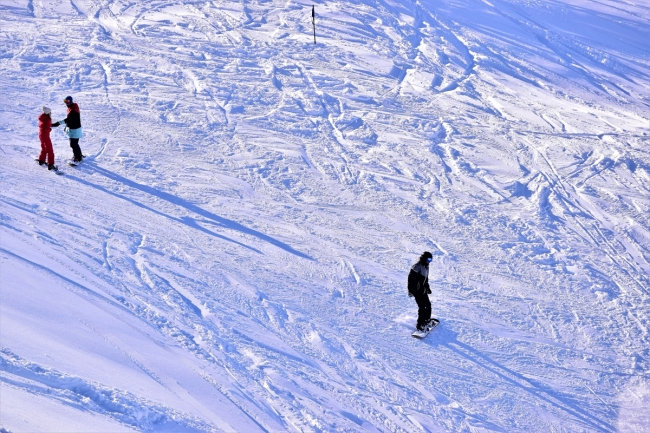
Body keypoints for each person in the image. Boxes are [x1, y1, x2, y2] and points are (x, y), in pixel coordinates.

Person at [407, 251, 436, 331]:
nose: (429, 262)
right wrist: (410, 290)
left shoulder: (426, 266)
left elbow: (425, 280)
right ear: (424, 258)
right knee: (422, 307)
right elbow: (410, 279)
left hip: (423, 290)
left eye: (431, 260)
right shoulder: (417, 266)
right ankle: (420, 324)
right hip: (416, 290)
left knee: (428, 305)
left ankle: (427, 320)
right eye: (428, 259)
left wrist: (427, 288)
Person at [52, 95, 84, 163]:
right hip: (73, 129)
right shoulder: (72, 108)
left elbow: (69, 119)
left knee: (73, 144)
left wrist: (58, 123)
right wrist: (66, 127)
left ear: (71, 101)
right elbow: (71, 120)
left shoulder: (73, 110)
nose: (66, 103)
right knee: (75, 144)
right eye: (65, 102)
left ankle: (77, 158)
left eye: (68, 102)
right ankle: (79, 155)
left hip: (75, 130)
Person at [37, 106, 57, 171]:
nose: (51, 113)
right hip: (45, 136)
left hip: (41, 135)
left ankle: (41, 160)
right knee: (50, 150)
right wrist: (50, 129)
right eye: (50, 112)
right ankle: (50, 165)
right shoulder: (48, 119)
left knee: (44, 148)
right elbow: (46, 129)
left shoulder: (42, 117)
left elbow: (44, 125)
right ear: (48, 113)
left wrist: (50, 125)